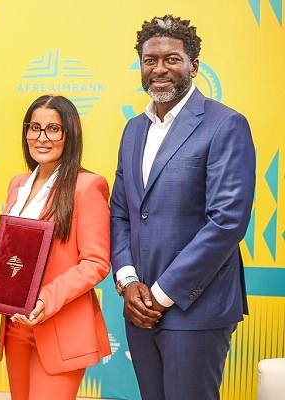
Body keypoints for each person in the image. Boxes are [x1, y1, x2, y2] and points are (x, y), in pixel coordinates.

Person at [110, 15, 256, 400]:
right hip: (138, 307)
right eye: (149, 60)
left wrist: (161, 294)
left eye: (171, 59)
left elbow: (226, 222)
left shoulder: (225, 124)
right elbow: (121, 212)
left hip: (195, 307)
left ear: (193, 66)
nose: (159, 69)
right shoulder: (133, 130)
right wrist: (127, 283)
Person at [0, 95, 112, 400]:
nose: (41, 137)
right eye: (34, 128)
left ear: (70, 134)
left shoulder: (87, 186)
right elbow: (13, 252)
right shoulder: (17, 184)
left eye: (53, 129)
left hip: (59, 324)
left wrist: (45, 298)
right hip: (14, 327)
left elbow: (96, 262)